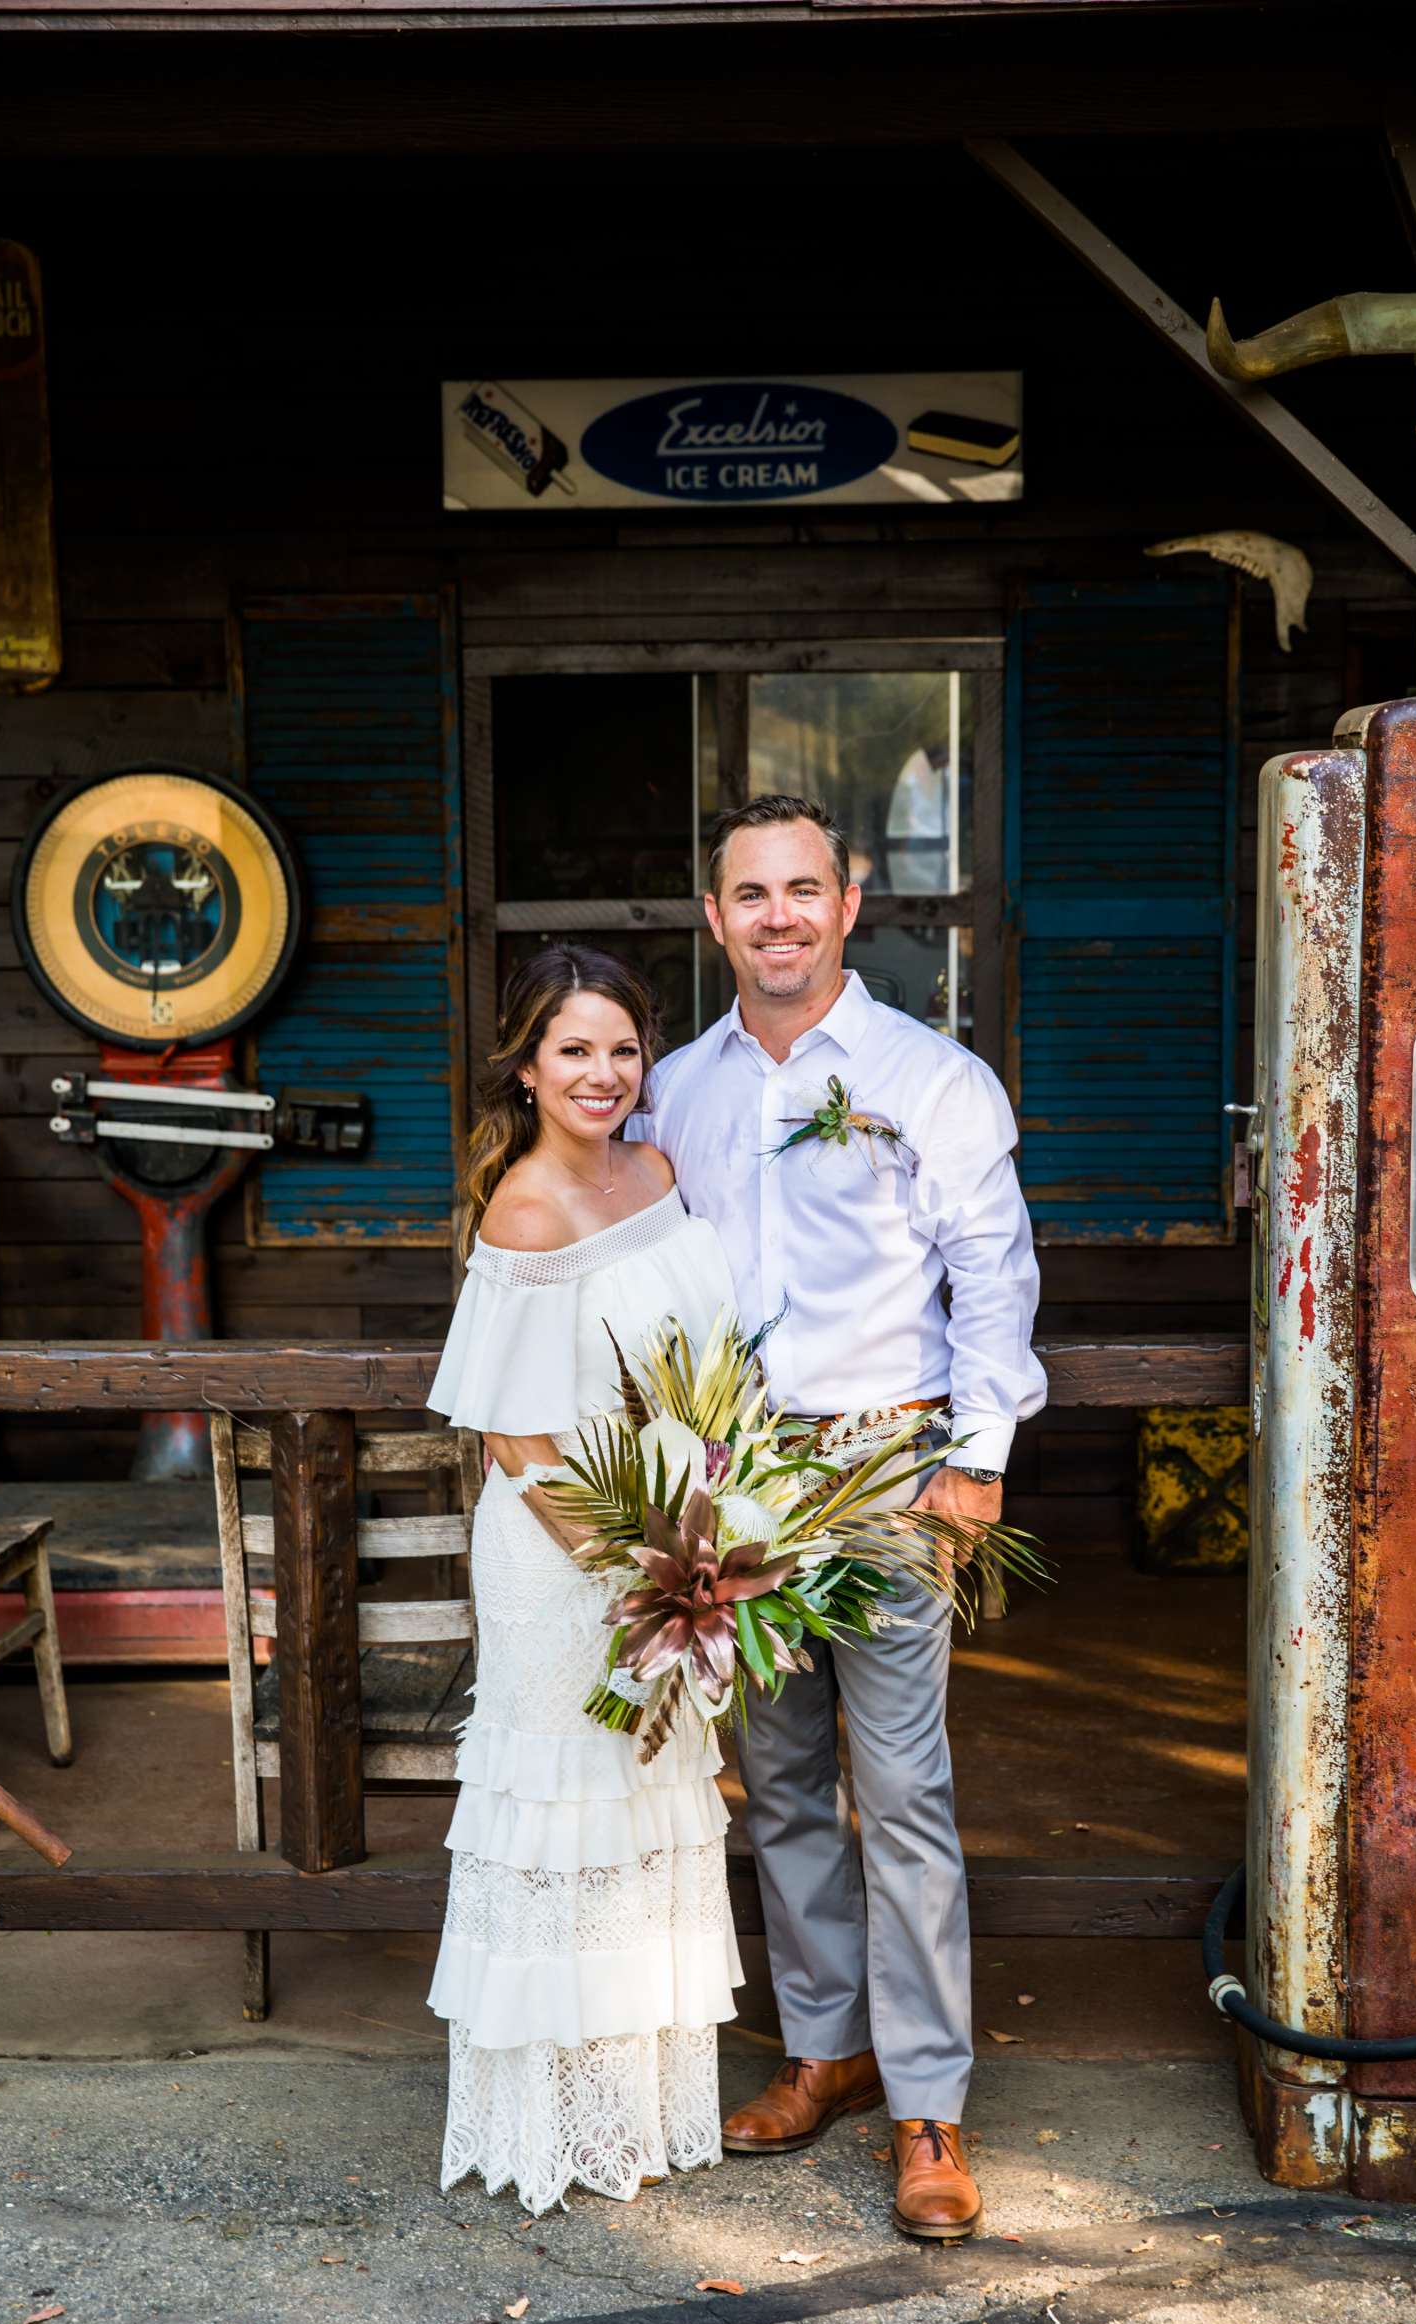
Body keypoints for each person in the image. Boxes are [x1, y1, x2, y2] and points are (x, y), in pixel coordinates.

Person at [632, 793, 1046, 2242]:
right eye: (753, 895)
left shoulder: (930, 1078)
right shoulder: (675, 1088)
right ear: (717, 917)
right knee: (781, 1784)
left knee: (906, 1792)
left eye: (804, 890)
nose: (780, 917)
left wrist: (977, 1461)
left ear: (851, 905)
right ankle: (828, 2051)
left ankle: (929, 2100)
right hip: (734, 1487)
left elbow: (992, 1276)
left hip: (890, 1475)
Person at [426, 943, 743, 2217]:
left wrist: (708, 1527)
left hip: (673, 1532)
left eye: (622, 1048)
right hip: (566, 1557)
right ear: (526, 1065)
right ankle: (557, 2118)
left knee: (650, 1804)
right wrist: (634, 1570)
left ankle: (639, 2105)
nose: (603, 1073)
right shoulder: (524, 1208)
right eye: (574, 1051)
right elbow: (517, 1441)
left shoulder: (658, 1171)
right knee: (564, 1815)